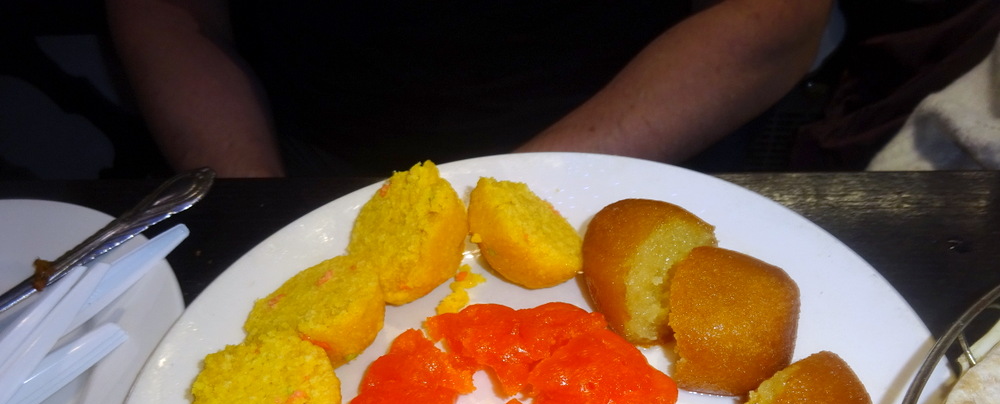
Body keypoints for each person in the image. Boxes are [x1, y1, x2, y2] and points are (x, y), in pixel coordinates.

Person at [105, 0, 836, 178]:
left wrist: (506, 188)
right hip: (307, 162)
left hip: (650, 147)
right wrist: (258, 204)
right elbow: (168, 14)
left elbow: (781, 15)